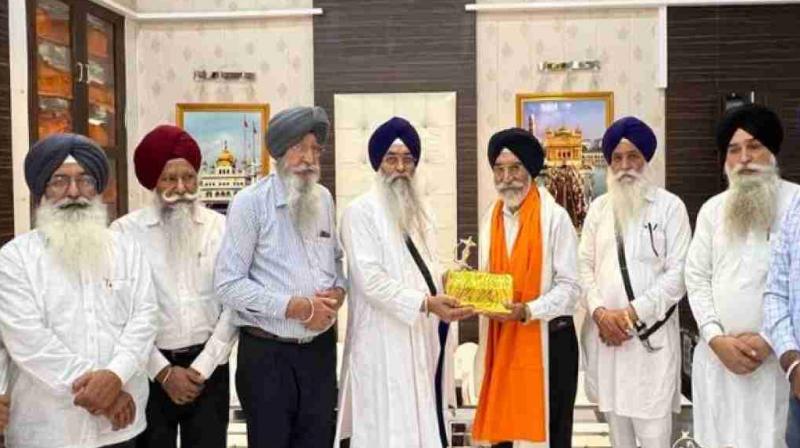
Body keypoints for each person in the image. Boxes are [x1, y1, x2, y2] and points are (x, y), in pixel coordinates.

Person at [0, 133, 158, 447]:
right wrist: (106, 394)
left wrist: (115, 375)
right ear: (41, 188)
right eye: (59, 180)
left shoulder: (128, 250)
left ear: (98, 188)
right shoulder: (14, 259)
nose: (74, 192)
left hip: (122, 427)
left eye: (85, 180)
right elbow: (30, 342)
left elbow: (145, 319)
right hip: (48, 429)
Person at [334, 117, 474, 448]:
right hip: (381, 341)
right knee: (386, 426)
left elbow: (423, 270)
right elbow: (370, 281)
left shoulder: (422, 211)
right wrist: (426, 303)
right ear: (377, 163)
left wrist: (450, 283)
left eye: (408, 159)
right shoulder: (360, 213)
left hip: (422, 335)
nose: (400, 167)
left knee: (420, 421)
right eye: (391, 159)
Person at [215, 106, 346, 448]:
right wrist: (297, 307)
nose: (309, 158)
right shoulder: (249, 204)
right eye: (299, 147)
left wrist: (338, 292)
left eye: (315, 149)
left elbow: (336, 261)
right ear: (278, 151)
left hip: (318, 354)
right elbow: (228, 284)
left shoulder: (325, 199)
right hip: (268, 358)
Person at [111, 125, 237, 448]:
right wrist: (164, 373)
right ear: (153, 181)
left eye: (189, 177)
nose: (181, 188)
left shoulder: (220, 227)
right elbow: (119, 312)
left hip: (208, 371)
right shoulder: (124, 233)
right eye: (170, 179)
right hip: (149, 373)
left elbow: (233, 301)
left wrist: (204, 366)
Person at [686, 104, 800, 448]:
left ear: (772, 152)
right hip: (718, 360)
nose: (744, 158)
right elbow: (696, 277)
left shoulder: (796, 203)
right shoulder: (712, 210)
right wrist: (715, 338)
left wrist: (770, 339)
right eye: (734, 150)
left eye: (754, 146)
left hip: (777, 363)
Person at [579, 117, 691, 447]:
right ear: (609, 162)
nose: (625, 165)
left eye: (633, 157)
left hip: (649, 345)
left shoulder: (670, 208)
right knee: (618, 438)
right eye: (617, 158)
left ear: (646, 159)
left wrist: (630, 314)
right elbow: (583, 265)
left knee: (654, 437)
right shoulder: (598, 209)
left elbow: (679, 275)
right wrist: (600, 313)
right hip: (607, 342)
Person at [472, 128, 581, 448]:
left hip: (551, 343)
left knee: (549, 434)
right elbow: (486, 280)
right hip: (502, 342)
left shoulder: (555, 219)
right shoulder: (489, 219)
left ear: (530, 170)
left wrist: (528, 310)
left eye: (515, 168)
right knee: (504, 436)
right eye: (499, 169)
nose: (507, 178)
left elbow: (571, 289)